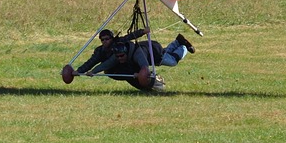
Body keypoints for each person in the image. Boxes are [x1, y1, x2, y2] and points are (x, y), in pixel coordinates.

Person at [63, 30, 196, 90]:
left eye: (107, 39)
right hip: (145, 53)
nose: (105, 42)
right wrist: (84, 71)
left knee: (171, 61)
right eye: (102, 40)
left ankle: (183, 46)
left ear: (112, 38)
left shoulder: (132, 50)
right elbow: (102, 63)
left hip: (150, 52)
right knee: (167, 53)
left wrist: (143, 31)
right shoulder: (104, 52)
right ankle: (177, 41)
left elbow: (144, 64)